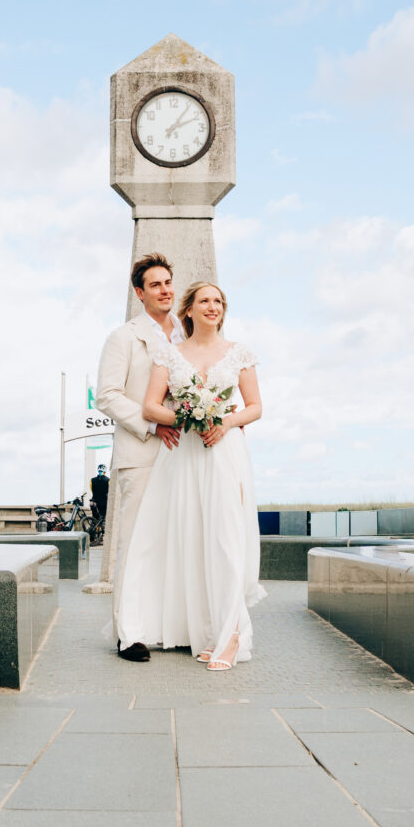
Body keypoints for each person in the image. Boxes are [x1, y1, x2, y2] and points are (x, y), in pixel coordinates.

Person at [114, 282, 264, 669]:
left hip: (223, 452)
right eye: (205, 301)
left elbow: (255, 407)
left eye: (218, 302)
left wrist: (224, 420)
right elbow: (150, 406)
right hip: (182, 455)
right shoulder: (170, 353)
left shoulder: (239, 353)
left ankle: (231, 637)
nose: (212, 307)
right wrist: (189, 416)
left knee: (226, 537)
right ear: (190, 310)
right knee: (191, 538)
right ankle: (207, 631)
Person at [92, 255, 184, 634]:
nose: (165, 290)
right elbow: (108, 396)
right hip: (140, 454)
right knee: (133, 546)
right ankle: (128, 634)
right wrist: (152, 425)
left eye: (168, 283)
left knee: (174, 544)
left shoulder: (185, 334)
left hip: (182, 454)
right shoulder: (123, 337)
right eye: (156, 285)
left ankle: (169, 628)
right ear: (139, 293)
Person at [89, 466, 109, 540]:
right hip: (104, 502)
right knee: (103, 519)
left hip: (94, 502)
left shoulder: (92, 480)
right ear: (105, 471)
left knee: (95, 519)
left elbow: (91, 489)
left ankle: (94, 536)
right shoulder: (108, 480)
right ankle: (101, 537)